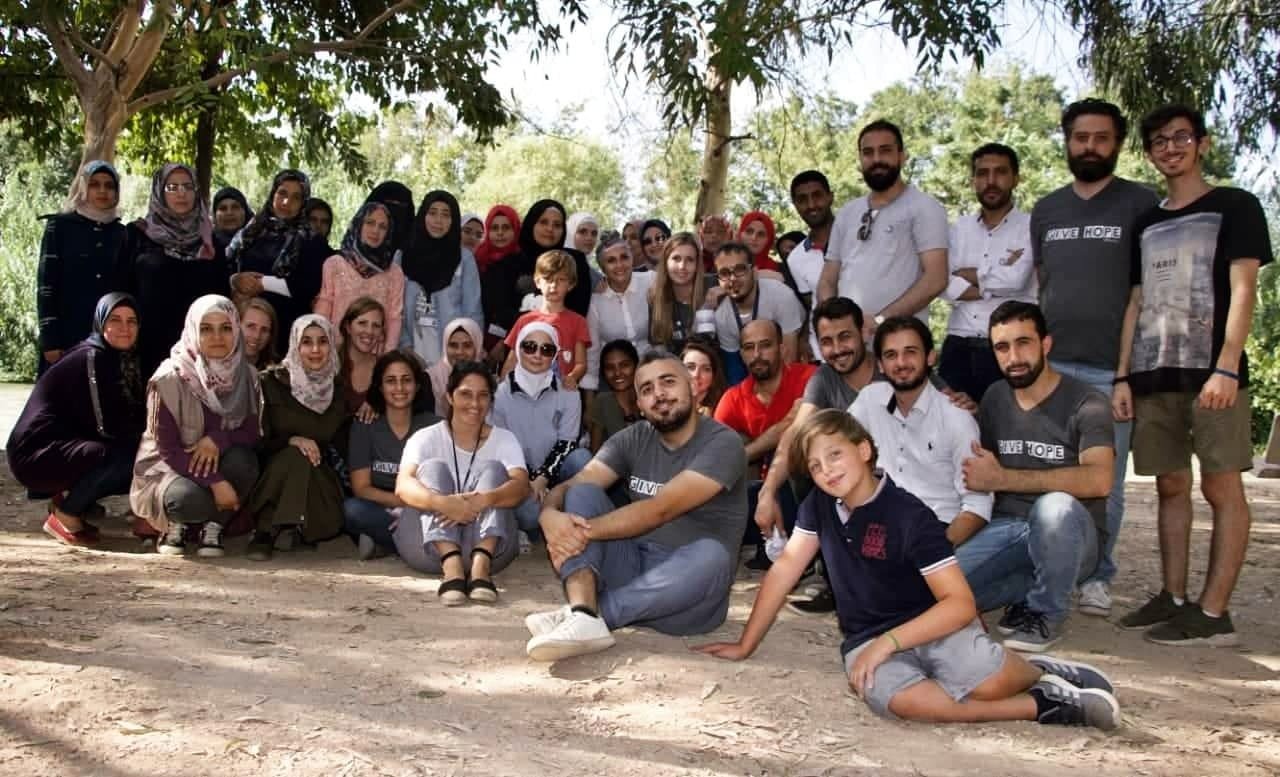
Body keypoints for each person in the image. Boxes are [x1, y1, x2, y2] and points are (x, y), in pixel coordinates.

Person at [695, 409, 1121, 731]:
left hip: (931, 625)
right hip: (865, 637)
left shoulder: (909, 515)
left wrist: (890, 643)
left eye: (835, 455)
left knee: (984, 682)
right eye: (816, 465)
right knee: (903, 702)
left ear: (864, 450)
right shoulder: (819, 505)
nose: (827, 471)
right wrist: (745, 644)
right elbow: (786, 569)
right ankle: (1044, 705)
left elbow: (959, 604)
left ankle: (1044, 673)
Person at [1111, 105, 1274, 646]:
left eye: (1181, 137)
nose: (1170, 148)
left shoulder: (1235, 205)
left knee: (1222, 485)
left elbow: (1244, 288)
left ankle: (1214, 612)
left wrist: (1228, 364)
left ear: (1201, 143)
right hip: (1153, 374)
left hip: (1213, 373)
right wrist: (1122, 376)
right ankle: (1174, 596)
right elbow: (1137, 301)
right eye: (1159, 141)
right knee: (1170, 484)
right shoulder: (1148, 222)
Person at [524, 350, 749, 660]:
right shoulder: (633, 438)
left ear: (693, 387)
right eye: (646, 390)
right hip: (633, 565)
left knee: (712, 555)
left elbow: (661, 510)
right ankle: (583, 612)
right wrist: (549, 515)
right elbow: (570, 486)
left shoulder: (723, 443)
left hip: (689, 594)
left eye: (668, 382)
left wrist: (577, 532)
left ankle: (593, 615)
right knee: (583, 495)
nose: (659, 394)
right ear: (640, 406)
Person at [1030, 100, 1161, 618]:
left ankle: (1098, 576)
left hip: (1113, 370)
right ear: (1067, 141)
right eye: (1081, 137)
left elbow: (1141, 293)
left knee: (1104, 481)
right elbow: (1045, 286)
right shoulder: (1048, 208)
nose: (1090, 147)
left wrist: (1127, 373)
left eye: (1101, 138)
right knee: (1050, 475)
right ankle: (1054, 567)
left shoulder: (1140, 203)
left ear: (1117, 144)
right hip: (1053, 370)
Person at [957, 301, 1113, 652]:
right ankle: (1029, 591)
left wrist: (1004, 479)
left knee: (1054, 508)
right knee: (938, 587)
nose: (1014, 356)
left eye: (1023, 342)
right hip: (1009, 531)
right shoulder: (995, 398)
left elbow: (1099, 480)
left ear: (1045, 344)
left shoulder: (1087, 402)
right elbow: (978, 468)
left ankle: (1047, 614)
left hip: (1072, 536)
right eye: (1002, 347)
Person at [755, 296, 875, 613]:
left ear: (864, 332)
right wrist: (767, 493)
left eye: (845, 336)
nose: (837, 349)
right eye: (827, 342)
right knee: (802, 458)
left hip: (895, 483)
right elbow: (794, 433)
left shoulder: (890, 365)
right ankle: (829, 571)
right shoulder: (824, 378)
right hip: (848, 483)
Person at [129, 295, 261, 557]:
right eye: (206, 329)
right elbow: (167, 450)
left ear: (236, 329)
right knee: (189, 500)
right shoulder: (168, 378)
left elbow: (250, 432)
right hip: (167, 470)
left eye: (225, 328)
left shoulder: (246, 375)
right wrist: (217, 482)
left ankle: (213, 527)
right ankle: (175, 525)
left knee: (245, 463)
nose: (217, 337)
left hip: (218, 460)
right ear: (192, 330)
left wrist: (217, 440)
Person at [8, 293, 144, 545]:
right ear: (101, 323)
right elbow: (105, 426)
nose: (124, 329)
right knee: (130, 459)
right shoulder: (92, 357)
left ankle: (68, 500)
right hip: (35, 455)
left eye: (132, 321)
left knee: (132, 452)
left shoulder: (114, 358)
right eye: (115, 320)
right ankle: (66, 514)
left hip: (61, 447)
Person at [850, 317, 993, 547]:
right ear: (879, 365)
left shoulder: (956, 418)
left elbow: (978, 505)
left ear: (930, 357)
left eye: (910, 352)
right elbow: (837, 444)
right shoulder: (870, 400)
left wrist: (936, 551)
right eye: (891, 355)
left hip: (936, 529)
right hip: (880, 529)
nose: (901, 363)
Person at [394, 361, 529, 602]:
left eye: (483, 396)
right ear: (449, 396)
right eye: (466, 394)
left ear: (490, 400)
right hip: (429, 547)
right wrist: (442, 503)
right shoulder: (425, 437)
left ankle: (480, 569)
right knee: (433, 468)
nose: (475, 404)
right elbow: (403, 486)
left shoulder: (505, 439)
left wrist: (483, 499)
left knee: (495, 470)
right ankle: (452, 567)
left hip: (490, 546)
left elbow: (521, 487)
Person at [816, 120, 949, 339]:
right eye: (868, 153)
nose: (876, 159)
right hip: (850, 347)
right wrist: (836, 324)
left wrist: (880, 321)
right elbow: (828, 279)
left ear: (902, 156)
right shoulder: (848, 212)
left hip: (900, 345)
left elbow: (936, 278)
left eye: (885, 151)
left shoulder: (924, 208)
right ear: (860, 159)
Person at [714, 319, 816, 567]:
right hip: (758, 498)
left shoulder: (810, 378)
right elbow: (716, 457)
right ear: (741, 354)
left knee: (792, 445)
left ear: (781, 348)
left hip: (807, 489)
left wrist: (783, 432)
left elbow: (794, 431)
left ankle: (799, 554)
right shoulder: (734, 397)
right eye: (749, 348)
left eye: (765, 345)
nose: (757, 355)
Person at [247, 315, 347, 561]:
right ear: (295, 345)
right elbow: (256, 442)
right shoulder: (270, 382)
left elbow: (343, 444)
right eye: (306, 342)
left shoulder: (338, 388)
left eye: (323, 341)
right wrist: (291, 440)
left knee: (305, 460)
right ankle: (269, 528)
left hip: (319, 480)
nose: (315, 350)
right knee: (295, 455)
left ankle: (289, 525)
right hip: (274, 476)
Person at [941, 143, 1037, 401]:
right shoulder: (958, 229)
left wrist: (969, 275)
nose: (990, 181)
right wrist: (994, 287)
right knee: (954, 430)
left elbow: (1017, 280)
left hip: (1009, 348)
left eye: (1000, 172)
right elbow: (943, 284)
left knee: (1004, 433)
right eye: (982, 174)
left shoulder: (1031, 226)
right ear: (973, 181)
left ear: (1015, 178)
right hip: (958, 344)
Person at [127, 163, 229, 377]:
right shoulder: (137, 235)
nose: (181, 193)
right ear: (159, 191)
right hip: (149, 346)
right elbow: (123, 289)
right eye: (172, 187)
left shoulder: (211, 242)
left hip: (201, 349)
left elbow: (222, 297)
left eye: (187, 186)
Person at [493, 322, 591, 533]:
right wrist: (530, 480)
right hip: (520, 475)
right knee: (530, 517)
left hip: (556, 473)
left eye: (547, 349)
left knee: (582, 458)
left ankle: (579, 520)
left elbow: (567, 443)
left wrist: (543, 478)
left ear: (555, 355)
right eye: (529, 347)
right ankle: (552, 513)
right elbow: (501, 445)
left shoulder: (569, 392)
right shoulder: (500, 394)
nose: (537, 355)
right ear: (518, 348)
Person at [343, 351, 441, 559]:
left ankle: (389, 545)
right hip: (383, 507)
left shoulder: (434, 426)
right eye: (390, 381)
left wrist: (419, 506)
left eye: (406, 380)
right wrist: (403, 504)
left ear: (417, 386)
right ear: (380, 387)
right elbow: (361, 488)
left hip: (423, 507)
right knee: (352, 510)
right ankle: (412, 545)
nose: (399, 388)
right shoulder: (365, 425)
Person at [36, 160, 131, 376]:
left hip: (108, 336)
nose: (102, 191)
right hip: (65, 336)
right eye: (95, 184)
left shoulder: (122, 234)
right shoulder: (59, 227)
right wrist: (50, 338)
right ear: (83, 188)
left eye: (109, 185)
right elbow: (46, 285)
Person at [227, 169, 331, 356]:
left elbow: (308, 287)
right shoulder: (252, 231)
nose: (286, 202)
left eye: (296, 198)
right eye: (282, 193)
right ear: (273, 193)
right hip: (244, 328)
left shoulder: (311, 241)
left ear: (303, 203)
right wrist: (235, 280)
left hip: (285, 330)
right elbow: (226, 264)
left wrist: (263, 283)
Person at [482, 200, 592, 353]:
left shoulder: (575, 261)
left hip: (561, 346)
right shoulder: (507, 264)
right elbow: (501, 311)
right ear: (531, 223)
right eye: (543, 222)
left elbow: (579, 308)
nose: (550, 229)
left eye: (557, 225)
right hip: (516, 346)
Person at [399, 190, 483, 365]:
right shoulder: (402, 257)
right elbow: (395, 309)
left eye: (446, 215)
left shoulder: (464, 259)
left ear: (453, 222)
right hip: (411, 350)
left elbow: (473, 312)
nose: (438, 220)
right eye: (432, 213)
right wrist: (404, 346)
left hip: (452, 353)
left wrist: (468, 352)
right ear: (422, 216)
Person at [313, 201, 405, 352]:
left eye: (383, 227)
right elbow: (324, 304)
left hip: (375, 353)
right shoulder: (335, 264)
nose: (375, 230)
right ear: (359, 224)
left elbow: (394, 317)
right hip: (336, 351)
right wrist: (320, 344)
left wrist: (387, 354)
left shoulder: (394, 272)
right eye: (370, 223)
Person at [501, 250, 592, 388]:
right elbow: (511, 361)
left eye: (561, 280)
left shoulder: (578, 321)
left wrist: (572, 377)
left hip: (561, 394)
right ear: (537, 282)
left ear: (571, 284)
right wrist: (503, 389)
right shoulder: (524, 320)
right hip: (527, 392)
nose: (553, 286)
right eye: (548, 279)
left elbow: (581, 364)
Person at [713, 242, 806, 375]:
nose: (732, 278)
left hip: (798, 343)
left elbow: (789, 361)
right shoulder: (722, 317)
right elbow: (735, 372)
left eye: (740, 269)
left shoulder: (781, 295)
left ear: (755, 272)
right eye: (724, 273)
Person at [582, 234, 653, 392]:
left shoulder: (650, 281)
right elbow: (592, 351)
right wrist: (590, 398)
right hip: (616, 379)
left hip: (653, 370)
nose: (619, 265)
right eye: (611, 260)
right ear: (602, 267)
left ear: (632, 258)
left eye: (624, 257)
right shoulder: (596, 301)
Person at [784, 170, 836, 359]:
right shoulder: (796, 258)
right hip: (824, 354)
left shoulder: (857, 238)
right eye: (803, 199)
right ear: (796, 205)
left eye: (817, 196)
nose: (811, 205)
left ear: (830, 197)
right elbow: (811, 303)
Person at [649, 233, 710, 355]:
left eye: (690, 260)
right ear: (665, 262)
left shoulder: (712, 286)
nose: (682, 266)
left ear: (697, 264)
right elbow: (658, 349)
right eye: (676, 258)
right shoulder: (656, 298)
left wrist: (724, 290)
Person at [336, 297, 387, 421]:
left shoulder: (386, 369)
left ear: (381, 333)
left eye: (376, 326)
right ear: (348, 327)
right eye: (362, 323)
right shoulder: (330, 361)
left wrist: (379, 404)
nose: (369, 331)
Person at [589, 339, 641, 451]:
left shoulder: (647, 398)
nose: (617, 373)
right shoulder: (603, 401)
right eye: (610, 368)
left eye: (624, 365)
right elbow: (595, 453)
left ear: (636, 366)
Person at [426, 318, 482, 414]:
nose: (460, 352)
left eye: (467, 345)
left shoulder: (485, 378)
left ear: (477, 347)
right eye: (453, 345)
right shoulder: (430, 378)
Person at [363, 181, 415, 260]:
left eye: (401, 206)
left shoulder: (417, 256)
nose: (395, 213)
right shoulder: (344, 260)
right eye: (389, 204)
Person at [473, 204, 521, 276]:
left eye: (506, 227)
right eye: (494, 228)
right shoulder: (478, 259)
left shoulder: (525, 262)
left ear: (515, 230)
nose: (500, 233)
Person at [681, 339, 725, 416]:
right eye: (690, 367)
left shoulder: (724, 406)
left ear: (714, 375)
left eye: (705, 369)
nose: (696, 374)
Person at [239, 297, 279, 369]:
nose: (257, 336)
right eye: (251, 326)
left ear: (270, 336)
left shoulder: (278, 371)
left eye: (264, 330)